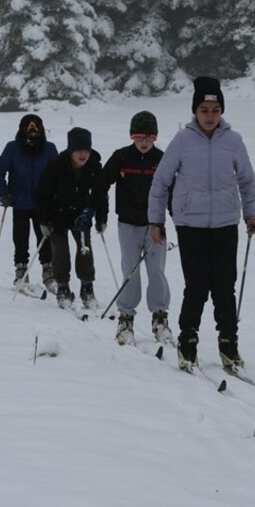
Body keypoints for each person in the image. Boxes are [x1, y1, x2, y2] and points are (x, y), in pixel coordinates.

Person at [148, 77, 255, 372]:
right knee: (196, 286)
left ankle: (228, 343)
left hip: (224, 223)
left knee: (225, 286)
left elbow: (246, 180)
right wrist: (155, 220)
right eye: (204, 110)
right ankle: (188, 342)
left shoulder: (233, 141)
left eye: (216, 110)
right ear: (195, 111)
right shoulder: (183, 141)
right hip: (191, 224)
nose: (210, 116)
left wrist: (251, 215)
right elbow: (160, 182)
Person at [96, 111, 172, 345]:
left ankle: (160, 318)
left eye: (149, 138)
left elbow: (173, 192)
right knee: (130, 270)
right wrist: (100, 214)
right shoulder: (121, 157)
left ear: (155, 138)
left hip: (154, 226)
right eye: (139, 138)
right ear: (132, 137)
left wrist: (178, 218)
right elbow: (101, 183)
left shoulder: (163, 159)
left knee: (156, 271)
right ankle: (126, 317)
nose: (144, 143)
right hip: (128, 224)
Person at [35, 127, 108, 310]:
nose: (83, 154)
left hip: (81, 216)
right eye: (79, 150)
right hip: (57, 215)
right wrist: (44, 220)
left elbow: (100, 194)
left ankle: (87, 287)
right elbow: (42, 194)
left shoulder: (94, 166)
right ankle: (63, 288)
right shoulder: (56, 166)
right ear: (71, 150)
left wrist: (101, 218)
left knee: (85, 251)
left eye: (87, 150)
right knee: (60, 253)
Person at [0, 114, 59, 291]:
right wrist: (3, 192)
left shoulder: (50, 149)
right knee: (20, 238)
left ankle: (48, 269)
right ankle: (21, 269)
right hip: (19, 201)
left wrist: (56, 195)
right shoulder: (12, 148)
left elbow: (59, 174)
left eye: (36, 134)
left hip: (43, 204)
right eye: (29, 134)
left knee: (45, 236)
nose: (32, 138)